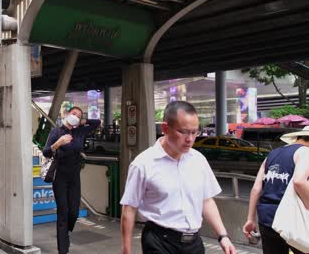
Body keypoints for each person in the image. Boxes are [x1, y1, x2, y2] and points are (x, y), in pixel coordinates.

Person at [120, 101, 236, 254]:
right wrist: (126, 249)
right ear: (165, 128)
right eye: (184, 132)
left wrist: (223, 236)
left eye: (195, 132)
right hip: (159, 241)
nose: (190, 139)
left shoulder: (198, 160)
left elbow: (206, 200)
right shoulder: (143, 163)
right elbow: (129, 208)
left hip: (193, 243)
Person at [43, 107, 100, 254]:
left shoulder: (79, 132)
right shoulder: (57, 131)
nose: (75, 117)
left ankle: (65, 232)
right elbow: (46, 152)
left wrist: (82, 122)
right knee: (63, 212)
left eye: (79, 116)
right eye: (73, 114)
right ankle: (63, 249)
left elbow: (97, 122)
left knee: (73, 212)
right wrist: (58, 143)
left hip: (75, 177)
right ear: (67, 114)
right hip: (60, 177)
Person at [243, 126, 309, 254]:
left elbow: (256, 188)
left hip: (267, 219)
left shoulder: (272, 154)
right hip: (292, 220)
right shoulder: (305, 152)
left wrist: (250, 219)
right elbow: (299, 181)